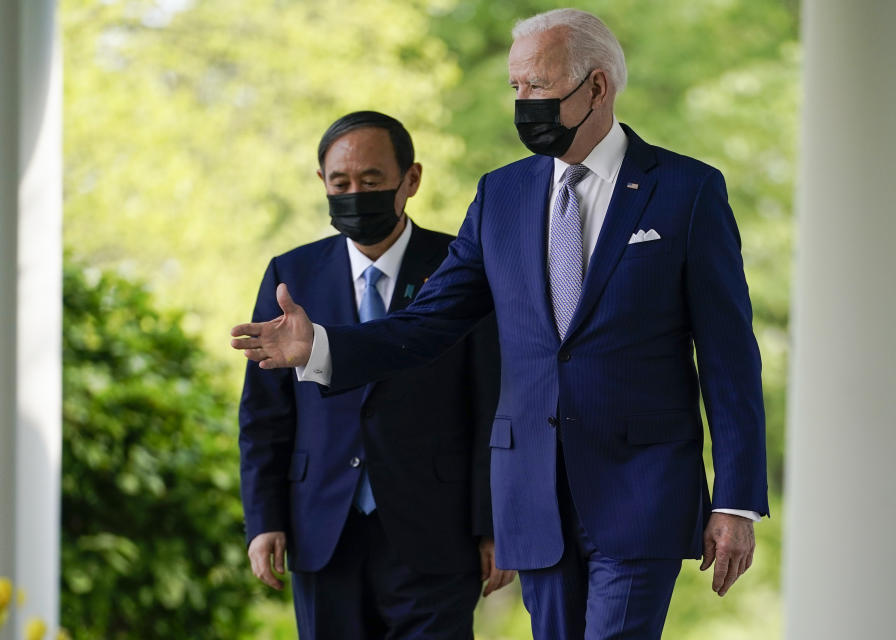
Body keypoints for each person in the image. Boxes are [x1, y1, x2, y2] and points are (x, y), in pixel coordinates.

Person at [232, 10, 768, 639]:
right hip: (531, 492)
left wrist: (735, 500)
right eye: (515, 88)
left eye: (537, 87)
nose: (523, 103)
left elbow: (730, 355)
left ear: (597, 88)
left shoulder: (687, 190)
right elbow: (430, 322)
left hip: (641, 486)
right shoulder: (501, 195)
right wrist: (320, 347)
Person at [238, 110, 514, 640]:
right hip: (322, 529)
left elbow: (493, 403)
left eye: (371, 180)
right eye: (340, 182)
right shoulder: (290, 274)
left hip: (438, 530)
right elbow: (264, 413)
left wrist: (494, 523)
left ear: (410, 179)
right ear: (322, 182)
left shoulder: (465, 267)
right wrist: (264, 519)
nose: (354, 193)